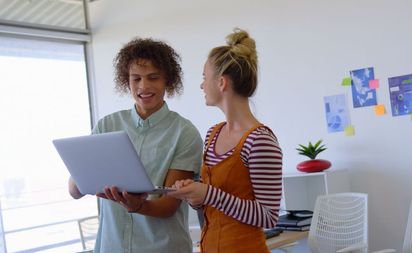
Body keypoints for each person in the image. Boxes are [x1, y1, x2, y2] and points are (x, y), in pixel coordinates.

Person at [68, 38, 203, 253]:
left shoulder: (184, 133)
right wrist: (81, 178)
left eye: (153, 78)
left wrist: (137, 205)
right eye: (136, 78)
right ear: (126, 80)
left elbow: (169, 205)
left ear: (167, 80)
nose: (143, 86)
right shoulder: (107, 125)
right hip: (111, 247)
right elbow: (74, 190)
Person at [167, 28, 283, 253]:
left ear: (221, 83)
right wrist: (194, 193)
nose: (201, 86)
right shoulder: (213, 134)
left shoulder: (260, 140)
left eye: (204, 77)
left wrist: (208, 193)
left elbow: (268, 217)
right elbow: (208, 202)